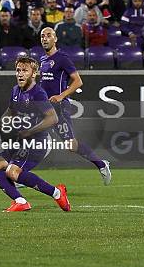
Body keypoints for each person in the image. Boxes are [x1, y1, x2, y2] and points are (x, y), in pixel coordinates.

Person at [0, 56, 70, 213]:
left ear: (34, 73)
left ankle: (57, 193)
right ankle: (20, 201)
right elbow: (11, 111)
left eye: (25, 70)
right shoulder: (16, 91)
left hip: (38, 142)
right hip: (21, 142)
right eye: (18, 70)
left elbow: (53, 118)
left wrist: (30, 131)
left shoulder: (38, 93)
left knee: (12, 171)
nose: (20, 74)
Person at [40, 27, 111, 183]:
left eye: (48, 35)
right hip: (44, 108)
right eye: (42, 36)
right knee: (31, 136)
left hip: (59, 108)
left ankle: (101, 164)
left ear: (55, 39)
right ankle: (18, 173)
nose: (45, 38)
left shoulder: (62, 58)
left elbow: (78, 81)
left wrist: (61, 95)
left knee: (71, 145)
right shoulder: (42, 60)